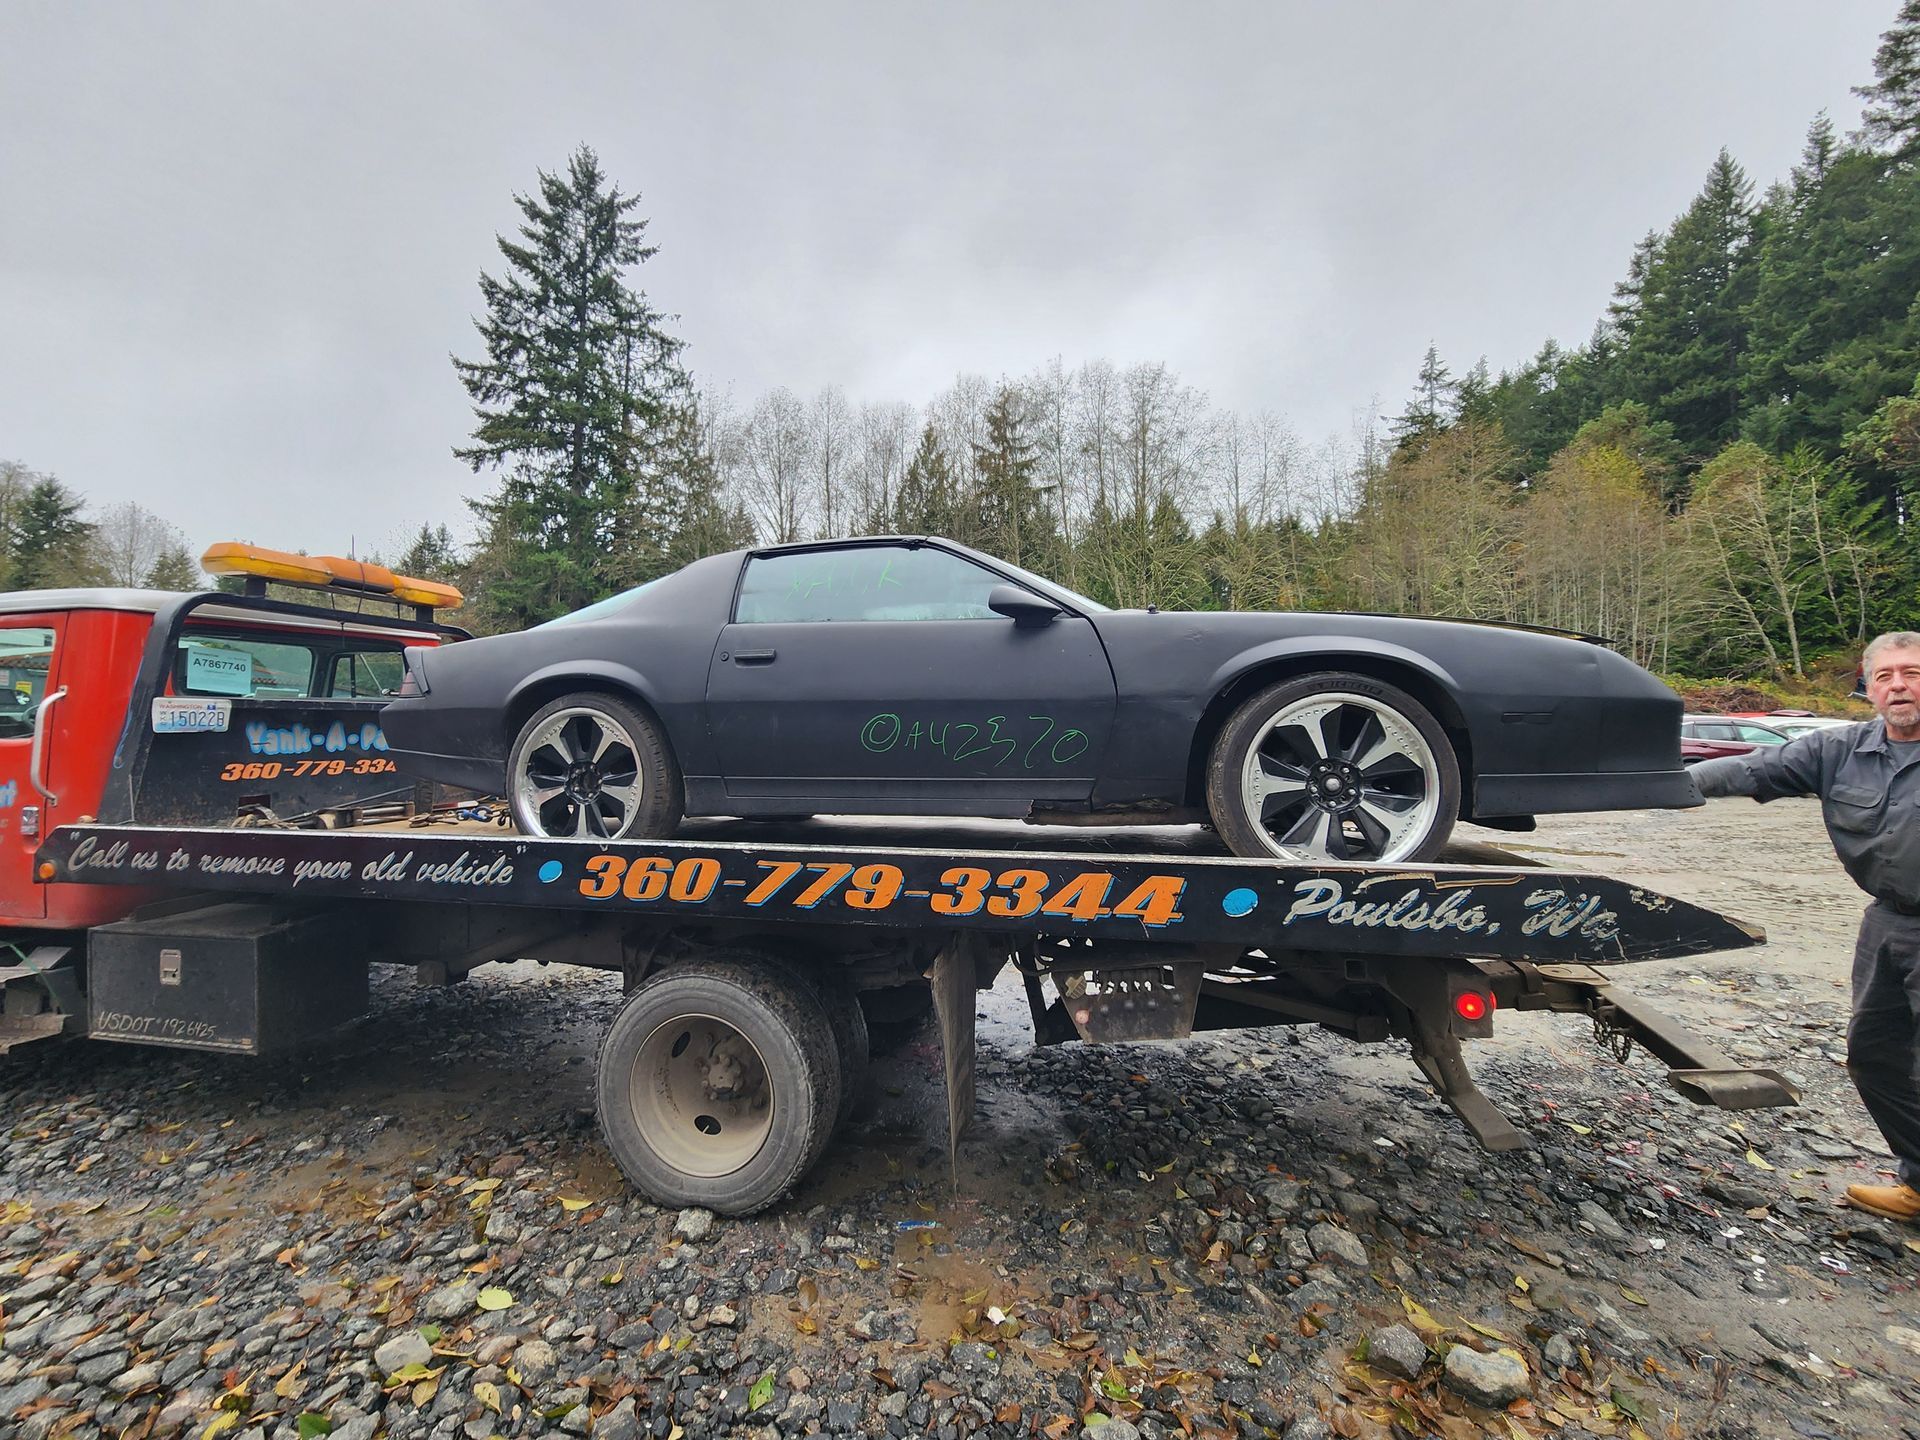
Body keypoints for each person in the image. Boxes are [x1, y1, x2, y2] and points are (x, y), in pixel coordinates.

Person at [1691, 630, 1920, 1223]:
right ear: (1868, 688)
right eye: (1886, 676)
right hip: (1888, 921)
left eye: (1912, 673)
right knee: (1875, 1055)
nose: (1899, 686)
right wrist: (1662, 785)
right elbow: (1749, 770)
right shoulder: (1838, 751)